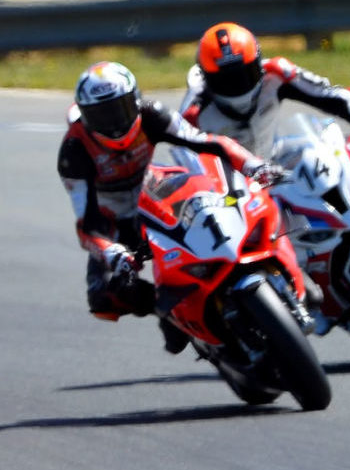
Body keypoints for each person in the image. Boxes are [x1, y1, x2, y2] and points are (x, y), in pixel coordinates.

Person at [59, 60, 285, 350]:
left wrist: (252, 165)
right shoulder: (74, 151)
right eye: (101, 115)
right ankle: (169, 312)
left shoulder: (151, 114)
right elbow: (87, 226)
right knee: (103, 298)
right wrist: (112, 251)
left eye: (120, 109)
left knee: (231, 204)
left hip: (157, 195)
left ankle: (270, 268)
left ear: (135, 100)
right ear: (85, 117)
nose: (114, 123)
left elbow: (208, 142)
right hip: (114, 221)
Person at [181, 22, 350, 250]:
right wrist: (226, 198)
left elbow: (328, 93)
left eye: (245, 76)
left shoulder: (277, 73)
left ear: (258, 64)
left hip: (276, 158)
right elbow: (194, 170)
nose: (238, 88)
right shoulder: (193, 114)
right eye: (226, 82)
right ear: (207, 79)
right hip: (237, 187)